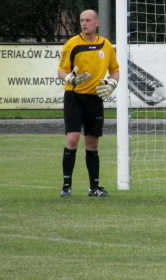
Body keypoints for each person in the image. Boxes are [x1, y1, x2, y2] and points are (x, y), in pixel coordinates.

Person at [57, 9, 119, 198]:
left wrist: (112, 84)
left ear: (97, 23)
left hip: (95, 99)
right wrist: (70, 79)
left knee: (92, 143)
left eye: (88, 20)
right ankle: (66, 185)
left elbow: (115, 70)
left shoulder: (106, 45)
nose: (84, 24)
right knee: (73, 138)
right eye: (82, 20)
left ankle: (94, 188)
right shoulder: (72, 44)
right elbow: (61, 70)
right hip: (74, 97)